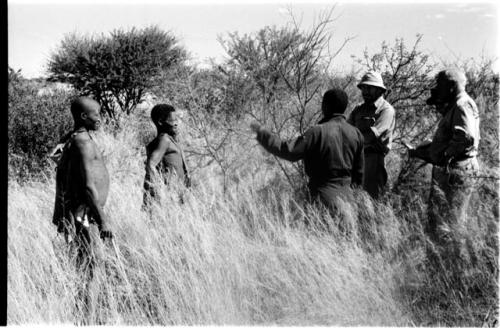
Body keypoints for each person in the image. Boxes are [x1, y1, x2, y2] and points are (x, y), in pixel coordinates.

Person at [250, 88, 364, 216]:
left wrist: (262, 134)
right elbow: (359, 175)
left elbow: (289, 151)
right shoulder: (356, 134)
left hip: (322, 199)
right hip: (349, 203)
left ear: (325, 106)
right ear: (345, 107)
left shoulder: (317, 132)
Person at [51, 96, 112, 323]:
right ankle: (88, 318)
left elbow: (55, 157)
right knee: (93, 263)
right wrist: (103, 219)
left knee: (87, 261)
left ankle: (87, 313)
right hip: (86, 213)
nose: (101, 119)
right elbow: (88, 186)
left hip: (84, 211)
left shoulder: (73, 138)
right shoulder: (82, 143)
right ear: (84, 116)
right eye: (97, 114)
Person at [407, 68, 480, 246]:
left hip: (456, 169)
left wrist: (445, 154)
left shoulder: (462, 104)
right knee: (443, 218)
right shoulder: (458, 104)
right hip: (454, 168)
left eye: (440, 85)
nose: (436, 89)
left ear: (451, 86)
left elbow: (466, 138)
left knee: (449, 220)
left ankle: (448, 259)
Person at [348, 71, 395, 199]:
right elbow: (347, 130)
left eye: (369, 88)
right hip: (355, 158)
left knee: (370, 202)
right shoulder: (358, 109)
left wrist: (351, 141)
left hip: (373, 160)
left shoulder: (386, 110)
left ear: (379, 90)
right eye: (363, 88)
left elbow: (372, 136)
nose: (365, 91)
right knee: (352, 199)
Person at [142, 104, 190, 208]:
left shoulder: (169, 139)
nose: (176, 123)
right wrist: (160, 190)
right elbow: (151, 165)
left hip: (176, 191)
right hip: (169, 194)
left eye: (177, 120)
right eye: (173, 121)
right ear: (160, 122)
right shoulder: (164, 140)